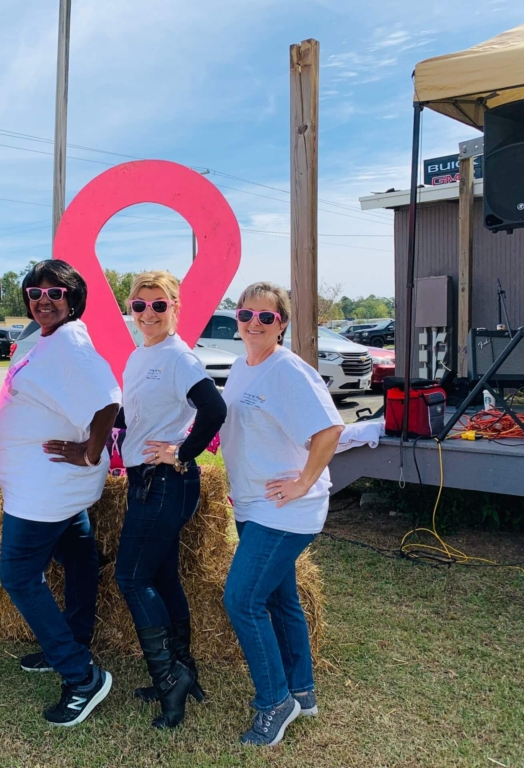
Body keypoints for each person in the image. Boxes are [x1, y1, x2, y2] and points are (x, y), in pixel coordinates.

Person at [0, 259, 121, 727]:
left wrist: (91, 450)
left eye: (55, 292)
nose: (43, 299)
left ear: (73, 298)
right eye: (35, 292)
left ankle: (81, 676)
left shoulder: (71, 343)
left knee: (19, 575)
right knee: (80, 559)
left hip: (44, 492)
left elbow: (107, 398)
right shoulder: (46, 340)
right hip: (47, 488)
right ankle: (69, 642)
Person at [220, 282, 344, 747]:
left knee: (242, 600)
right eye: (246, 314)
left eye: (266, 317)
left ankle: (275, 702)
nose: (254, 323)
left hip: (286, 509)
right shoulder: (240, 367)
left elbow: (330, 430)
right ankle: (302, 690)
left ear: (282, 324)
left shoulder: (289, 371)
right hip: (253, 503)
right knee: (279, 600)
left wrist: (304, 482)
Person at [114, 270, 226, 729]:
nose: (148, 314)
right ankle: (186, 670)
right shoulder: (140, 355)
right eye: (140, 306)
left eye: (159, 305)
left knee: (130, 578)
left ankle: (169, 680)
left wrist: (182, 450)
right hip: (150, 481)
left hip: (164, 483)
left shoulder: (178, 357)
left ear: (175, 308)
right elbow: (133, 414)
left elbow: (214, 409)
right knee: (163, 578)